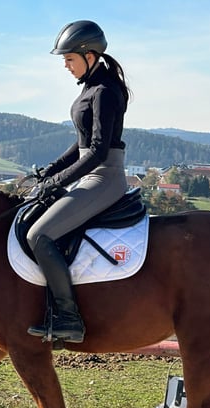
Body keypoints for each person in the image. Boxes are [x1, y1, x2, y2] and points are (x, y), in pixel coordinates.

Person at [27, 20, 131, 344]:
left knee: (40, 235)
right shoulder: (90, 87)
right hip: (89, 171)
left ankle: (68, 318)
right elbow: (81, 144)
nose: (65, 65)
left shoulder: (105, 91)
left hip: (105, 177)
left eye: (69, 59)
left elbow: (98, 151)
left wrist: (58, 180)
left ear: (89, 54)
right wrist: (51, 171)